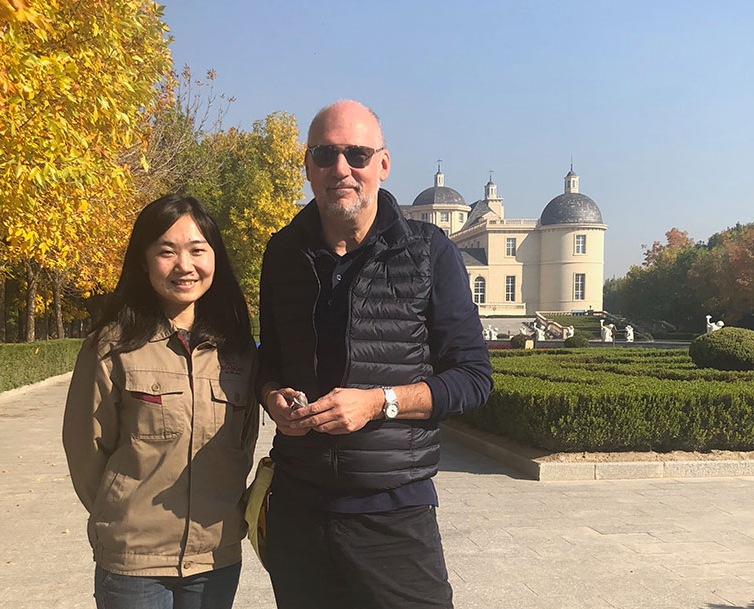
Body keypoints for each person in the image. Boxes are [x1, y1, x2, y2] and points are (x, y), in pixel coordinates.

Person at [256, 100, 493, 609]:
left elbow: (474, 377)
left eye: (357, 154)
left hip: (393, 515)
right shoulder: (282, 252)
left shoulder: (429, 252)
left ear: (382, 165)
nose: (341, 168)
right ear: (307, 166)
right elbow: (267, 359)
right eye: (325, 154)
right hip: (299, 513)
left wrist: (378, 402)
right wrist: (272, 395)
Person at [63, 194, 258, 609]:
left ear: (215, 259)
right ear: (144, 261)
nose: (184, 265)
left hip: (215, 555)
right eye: (166, 252)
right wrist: (120, 514)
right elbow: (85, 449)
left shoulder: (237, 351)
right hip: (134, 562)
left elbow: (243, 443)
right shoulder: (112, 346)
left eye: (197, 250)